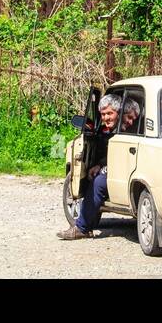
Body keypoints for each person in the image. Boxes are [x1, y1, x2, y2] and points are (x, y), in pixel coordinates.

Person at [58, 93, 121, 241]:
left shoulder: (125, 127)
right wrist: (100, 164)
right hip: (119, 167)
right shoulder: (117, 128)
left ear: (119, 112)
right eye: (103, 114)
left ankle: (82, 228)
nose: (106, 118)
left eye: (110, 113)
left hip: (122, 170)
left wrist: (102, 168)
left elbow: (117, 156)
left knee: (98, 183)